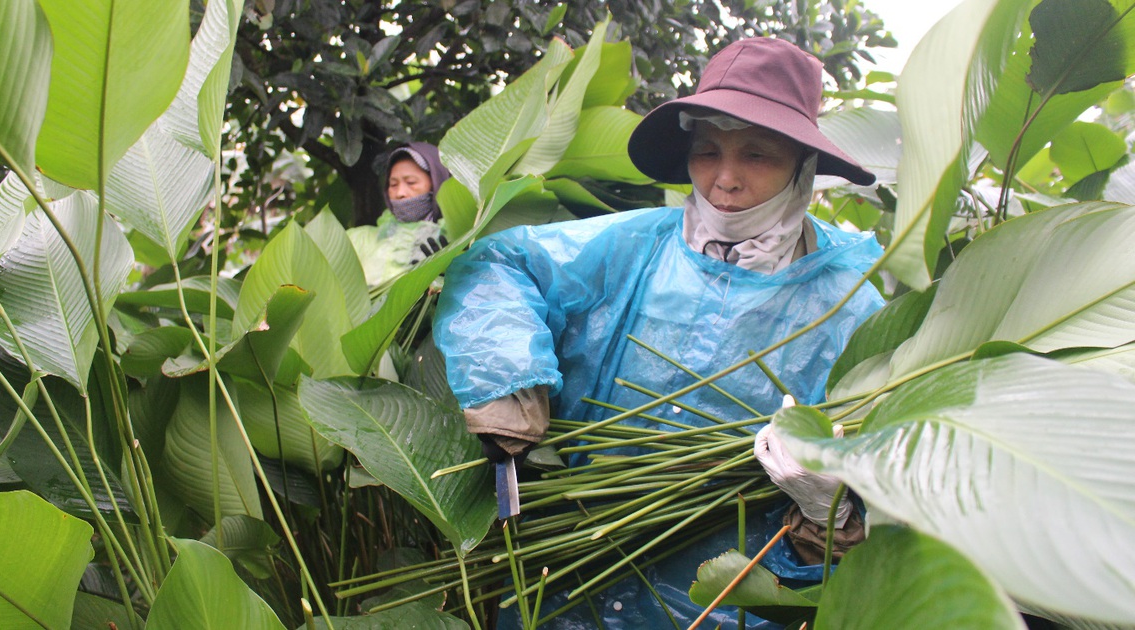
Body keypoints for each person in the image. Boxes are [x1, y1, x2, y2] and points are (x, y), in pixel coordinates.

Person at [433, 37, 884, 627]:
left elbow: (873, 532)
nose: (724, 178)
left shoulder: (850, 309)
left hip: (710, 607)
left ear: (803, 165)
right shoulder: (631, 247)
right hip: (564, 586)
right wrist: (509, 374)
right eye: (707, 150)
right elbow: (496, 265)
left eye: (757, 155)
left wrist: (831, 514)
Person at [347, 141, 452, 288]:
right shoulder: (357, 239)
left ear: (435, 183)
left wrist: (449, 276)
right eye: (393, 184)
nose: (400, 193)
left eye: (411, 182)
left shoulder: (461, 236)